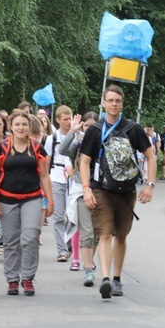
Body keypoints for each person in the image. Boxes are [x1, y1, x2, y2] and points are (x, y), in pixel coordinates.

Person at [80, 84, 156, 299]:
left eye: (117, 101)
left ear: (122, 104)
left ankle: (116, 279)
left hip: (126, 190)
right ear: (103, 103)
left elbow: (151, 157)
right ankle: (105, 279)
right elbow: (84, 162)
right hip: (101, 189)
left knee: (120, 235)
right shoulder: (94, 130)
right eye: (110, 100)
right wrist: (86, 189)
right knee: (104, 233)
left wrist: (150, 185)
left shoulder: (133, 129)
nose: (114, 104)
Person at [0, 111, 54, 296]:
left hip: (32, 197)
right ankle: (12, 279)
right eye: (17, 124)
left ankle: (27, 277)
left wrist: (50, 200)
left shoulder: (36, 148)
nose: (20, 128)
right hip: (6, 198)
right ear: (10, 127)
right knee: (10, 240)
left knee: (31, 236)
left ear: (29, 127)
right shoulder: (1, 148)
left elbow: (44, 175)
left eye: (24, 125)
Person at [61, 111, 99, 284]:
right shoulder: (78, 143)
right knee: (86, 230)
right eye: (86, 126)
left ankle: (88, 260)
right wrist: (72, 132)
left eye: (93, 126)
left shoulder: (103, 142)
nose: (89, 129)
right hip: (80, 191)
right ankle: (88, 269)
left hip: (100, 189)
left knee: (98, 233)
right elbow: (61, 150)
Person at [44, 105, 73, 263]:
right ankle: (62, 250)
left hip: (72, 178)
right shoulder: (52, 138)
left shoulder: (76, 136)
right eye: (65, 119)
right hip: (56, 176)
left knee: (72, 215)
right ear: (58, 120)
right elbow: (47, 161)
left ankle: (70, 245)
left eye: (70, 119)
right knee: (58, 216)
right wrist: (46, 181)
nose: (68, 122)